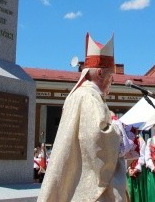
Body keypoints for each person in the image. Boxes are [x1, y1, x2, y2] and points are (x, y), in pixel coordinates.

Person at [38, 32, 126, 202]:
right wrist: (121, 129)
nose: (112, 81)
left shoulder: (80, 95)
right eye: (110, 75)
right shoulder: (90, 98)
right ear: (100, 73)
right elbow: (97, 137)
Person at [126, 127, 147, 202]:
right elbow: (125, 155)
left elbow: (143, 156)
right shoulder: (127, 142)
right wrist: (129, 168)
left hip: (138, 171)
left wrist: (136, 168)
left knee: (139, 192)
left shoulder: (141, 141)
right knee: (129, 193)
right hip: (129, 171)